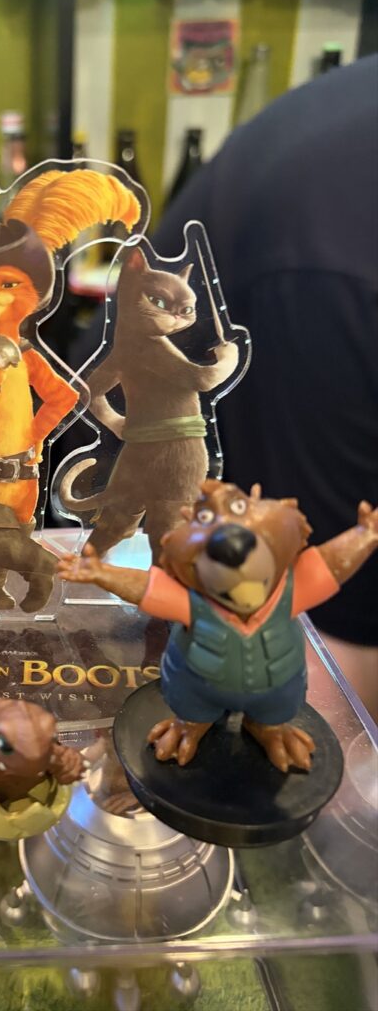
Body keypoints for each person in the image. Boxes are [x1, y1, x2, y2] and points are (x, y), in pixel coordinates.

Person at [145, 55, 378, 722]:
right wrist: (96, 571)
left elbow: (328, 572)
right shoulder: (336, 259)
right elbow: (341, 654)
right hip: (191, 685)